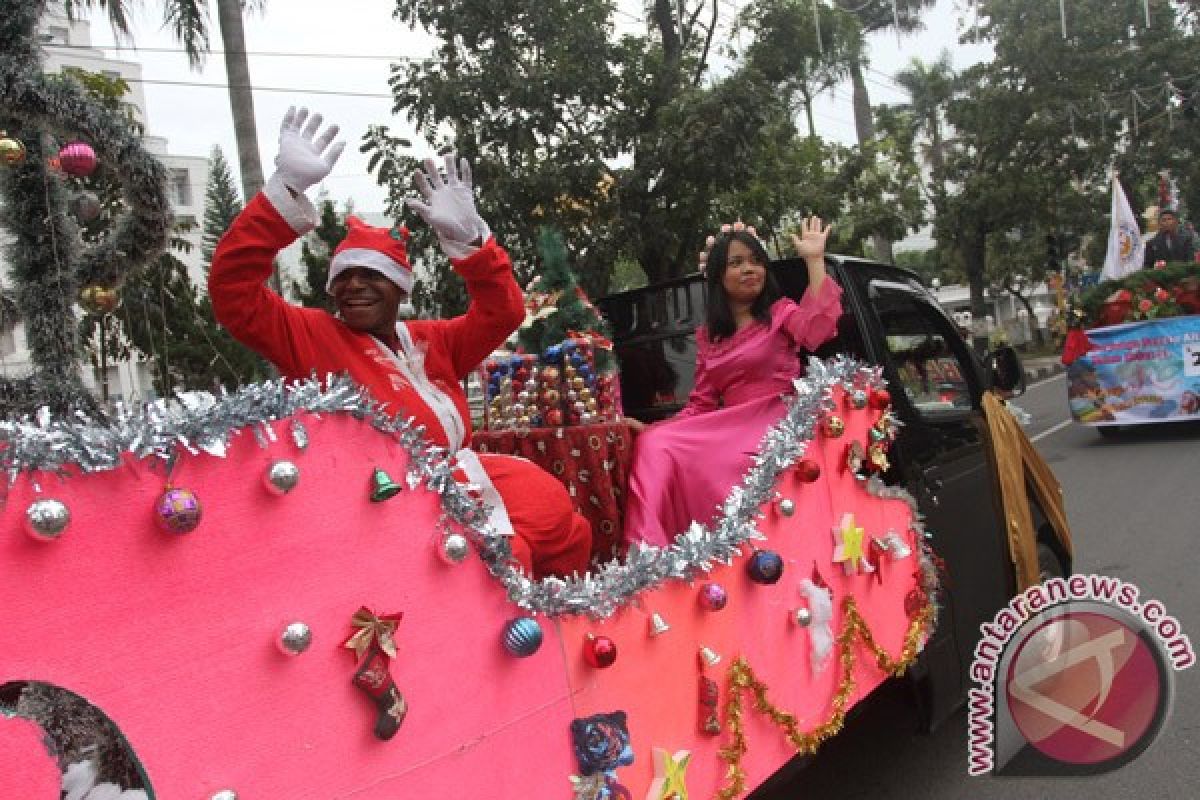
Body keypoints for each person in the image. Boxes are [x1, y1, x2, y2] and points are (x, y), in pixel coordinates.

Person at [209, 107, 592, 578]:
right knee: (507, 562)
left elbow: (504, 312)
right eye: (343, 279)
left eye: (372, 276)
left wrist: (471, 241)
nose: (353, 287)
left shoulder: (433, 340)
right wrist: (284, 191)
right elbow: (232, 293)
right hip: (381, 500)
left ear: (400, 288)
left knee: (561, 521)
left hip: (459, 475)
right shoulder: (312, 337)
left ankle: (564, 625)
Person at [621, 219, 843, 547]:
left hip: (777, 423)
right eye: (736, 263)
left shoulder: (781, 313)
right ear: (718, 277)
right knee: (653, 446)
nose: (749, 269)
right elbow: (700, 404)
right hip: (730, 427)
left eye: (755, 261)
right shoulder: (709, 336)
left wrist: (814, 261)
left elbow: (815, 331)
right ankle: (648, 557)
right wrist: (653, 429)